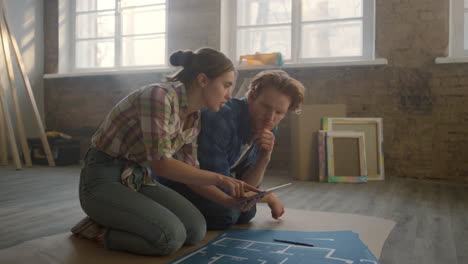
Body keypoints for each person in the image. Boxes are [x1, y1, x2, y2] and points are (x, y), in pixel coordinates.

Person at [70, 48, 260, 256]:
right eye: (226, 85)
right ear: (203, 80)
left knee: (196, 229)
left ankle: (121, 215)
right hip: (103, 177)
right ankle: (96, 229)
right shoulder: (158, 96)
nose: (229, 95)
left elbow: (190, 173)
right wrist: (222, 180)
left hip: (138, 178)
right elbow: (162, 164)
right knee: (170, 238)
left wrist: (229, 202)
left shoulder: (194, 117)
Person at [162, 70, 305, 230]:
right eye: (265, 107)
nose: (270, 117)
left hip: (216, 183)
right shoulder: (221, 118)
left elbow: (247, 184)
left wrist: (265, 156)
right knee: (226, 214)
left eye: (279, 112)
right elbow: (224, 188)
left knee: (246, 212)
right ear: (251, 97)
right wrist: (267, 196)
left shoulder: (269, 126)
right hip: (181, 180)